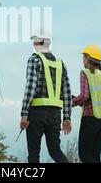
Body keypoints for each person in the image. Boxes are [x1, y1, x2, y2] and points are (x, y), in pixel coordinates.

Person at [20, 28, 72, 163]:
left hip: (37, 113)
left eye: (35, 41)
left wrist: (24, 114)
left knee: (34, 153)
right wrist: (67, 117)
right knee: (55, 150)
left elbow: (30, 88)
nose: (33, 44)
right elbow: (66, 92)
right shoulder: (61, 63)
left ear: (40, 42)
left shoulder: (34, 60)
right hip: (55, 114)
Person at [72, 44, 101, 163]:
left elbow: (84, 96)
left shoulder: (85, 73)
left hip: (91, 120)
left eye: (83, 58)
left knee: (85, 155)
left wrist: (71, 102)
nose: (83, 60)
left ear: (88, 58)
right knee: (95, 156)